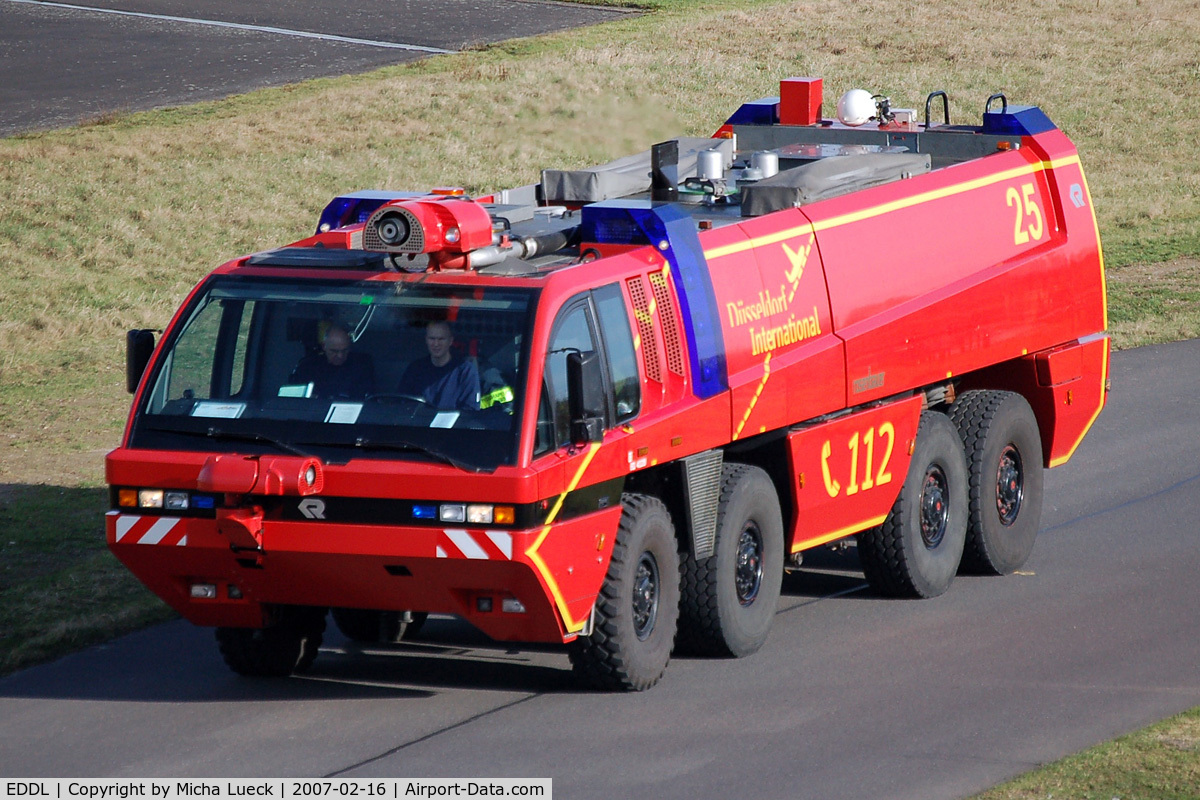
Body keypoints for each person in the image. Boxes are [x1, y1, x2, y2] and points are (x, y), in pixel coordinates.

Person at [398, 320, 480, 410]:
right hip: (418, 423)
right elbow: (402, 404)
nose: (436, 344)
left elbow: (470, 411)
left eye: (441, 339)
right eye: (432, 339)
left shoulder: (465, 371)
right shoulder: (414, 369)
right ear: (426, 340)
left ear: (450, 341)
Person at [289, 323, 375, 399]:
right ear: (324, 346)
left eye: (344, 350)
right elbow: (295, 399)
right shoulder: (307, 367)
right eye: (334, 351)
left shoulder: (361, 366)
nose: (340, 356)